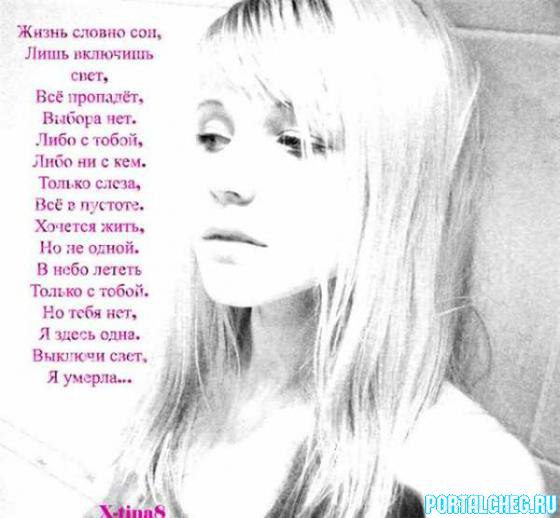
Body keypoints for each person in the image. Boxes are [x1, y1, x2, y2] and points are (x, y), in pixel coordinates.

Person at [95, 1, 545, 516]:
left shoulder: (479, 478)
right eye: (213, 137)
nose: (227, 180)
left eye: (297, 141)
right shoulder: (178, 387)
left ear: (402, 179)